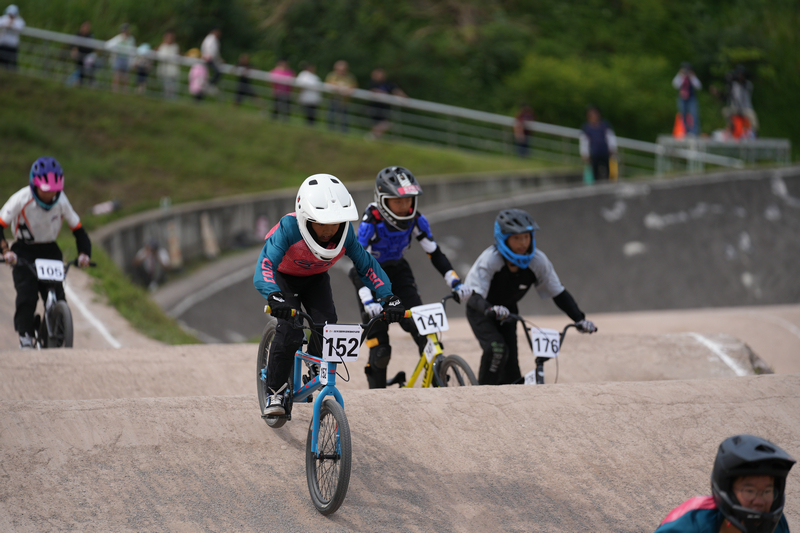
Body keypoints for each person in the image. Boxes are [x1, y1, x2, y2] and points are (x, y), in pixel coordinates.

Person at [253, 174, 406, 415]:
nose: (328, 231)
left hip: (315, 279)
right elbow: (265, 265)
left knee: (327, 328)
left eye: (334, 223)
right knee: (290, 332)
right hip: (284, 279)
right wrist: (274, 295)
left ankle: (315, 365)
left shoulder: (345, 234)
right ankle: (275, 391)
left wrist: (388, 296)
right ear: (305, 218)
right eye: (321, 223)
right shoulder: (289, 228)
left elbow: (366, 265)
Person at [348, 166, 472, 389]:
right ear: (383, 201)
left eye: (409, 200)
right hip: (370, 276)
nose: (406, 206)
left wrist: (454, 280)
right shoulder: (371, 221)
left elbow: (435, 252)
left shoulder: (416, 219)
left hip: (398, 273)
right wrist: (368, 299)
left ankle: (438, 384)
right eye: (398, 201)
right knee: (381, 350)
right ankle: (377, 397)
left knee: (424, 332)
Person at [464, 209, 596, 385]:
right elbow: (472, 297)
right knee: (496, 348)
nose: (523, 243)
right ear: (503, 239)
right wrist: (490, 310)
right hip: (481, 310)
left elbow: (558, 292)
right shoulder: (490, 260)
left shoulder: (538, 261)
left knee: (512, 371)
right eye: (516, 238)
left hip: (509, 312)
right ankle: (480, 397)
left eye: (526, 237)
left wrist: (580, 319)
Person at [0, 157, 92, 349]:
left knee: (58, 295)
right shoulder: (22, 199)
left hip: (50, 250)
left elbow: (78, 230)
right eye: (46, 190)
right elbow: (1, 224)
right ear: (35, 185)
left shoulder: (62, 201)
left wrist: (84, 253)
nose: (50, 195)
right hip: (23, 250)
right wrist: (6, 251)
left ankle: (58, 328)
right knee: (27, 295)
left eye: (54, 191)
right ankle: (25, 337)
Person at [656, 434, 795, 533]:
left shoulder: (777, 524)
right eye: (749, 491)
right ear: (727, 490)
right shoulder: (688, 525)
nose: (759, 501)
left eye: (767, 492)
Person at [366, 68, 407, 140]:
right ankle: (372, 138)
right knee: (377, 124)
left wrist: (404, 99)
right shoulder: (372, 83)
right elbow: (373, 91)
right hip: (374, 107)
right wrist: (385, 95)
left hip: (384, 108)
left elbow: (397, 91)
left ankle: (372, 138)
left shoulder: (388, 83)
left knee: (385, 124)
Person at [579, 105, 617, 182]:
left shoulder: (605, 125)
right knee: (594, 171)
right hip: (594, 153)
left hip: (605, 152)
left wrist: (613, 148)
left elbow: (610, 138)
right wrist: (585, 154)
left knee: (608, 170)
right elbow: (584, 142)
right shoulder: (586, 128)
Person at [724, 65, 758, 136]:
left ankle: (754, 132)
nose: (741, 76)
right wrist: (729, 81)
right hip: (736, 108)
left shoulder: (748, 84)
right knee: (725, 111)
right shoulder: (733, 85)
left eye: (742, 75)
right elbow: (729, 95)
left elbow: (745, 89)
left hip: (746, 108)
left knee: (753, 116)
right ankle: (732, 127)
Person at [325, 60, 357, 132]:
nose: (341, 71)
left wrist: (347, 90)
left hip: (344, 102)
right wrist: (338, 88)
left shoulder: (350, 77)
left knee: (344, 118)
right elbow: (329, 84)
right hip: (333, 99)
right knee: (331, 116)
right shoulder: (332, 75)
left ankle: (343, 132)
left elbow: (353, 87)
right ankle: (330, 131)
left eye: (343, 69)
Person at [672, 62, 702, 136]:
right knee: (683, 114)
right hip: (682, 98)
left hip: (691, 98)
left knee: (694, 114)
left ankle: (694, 132)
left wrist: (692, 76)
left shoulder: (692, 77)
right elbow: (675, 84)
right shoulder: (680, 76)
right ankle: (685, 131)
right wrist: (681, 75)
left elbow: (698, 86)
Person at [106, 23, 135, 93]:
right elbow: (108, 45)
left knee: (126, 77)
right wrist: (116, 50)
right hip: (118, 58)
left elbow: (133, 51)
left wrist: (132, 62)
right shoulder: (118, 38)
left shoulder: (131, 40)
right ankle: (115, 90)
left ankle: (124, 91)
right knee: (117, 75)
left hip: (127, 59)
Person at [156, 30, 180, 99]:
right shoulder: (162, 46)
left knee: (173, 89)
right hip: (164, 71)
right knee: (165, 89)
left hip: (173, 72)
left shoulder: (175, 47)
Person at [0, 4, 24, 70]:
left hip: (12, 46)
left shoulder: (19, 21)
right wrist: (7, 24)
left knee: (12, 64)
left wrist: (11, 24)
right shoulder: (4, 18)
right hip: (2, 45)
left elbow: (20, 27)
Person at [71, 21, 95, 87]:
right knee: (80, 70)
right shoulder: (78, 35)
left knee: (90, 67)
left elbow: (92, 46)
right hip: (79, 55)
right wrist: (74, 49)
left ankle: (90, 83)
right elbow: (73, 44)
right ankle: (80, 84)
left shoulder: (90, 36)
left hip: (87, 55)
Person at [200, 28, 222, 93]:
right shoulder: (211, 39)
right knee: (217, 72)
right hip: (209, 59)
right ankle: (209, 84)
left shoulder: (210, 39)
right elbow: (213, 51)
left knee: (206, 76)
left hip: (208, 58)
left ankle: (207, 85)